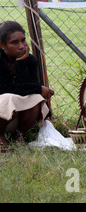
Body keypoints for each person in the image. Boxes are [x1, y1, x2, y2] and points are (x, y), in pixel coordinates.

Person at [0, 21, 54, 151]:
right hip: (2, 112)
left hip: (15, 116)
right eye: (14, 42)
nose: (21, 46)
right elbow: (5, 89)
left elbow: (30, 87)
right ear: (2, 45)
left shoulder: (29, 60)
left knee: (36, 99)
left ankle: (18, 135)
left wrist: (21, 64)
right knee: (8, 98)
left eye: (23, 41)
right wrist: (39, 89)